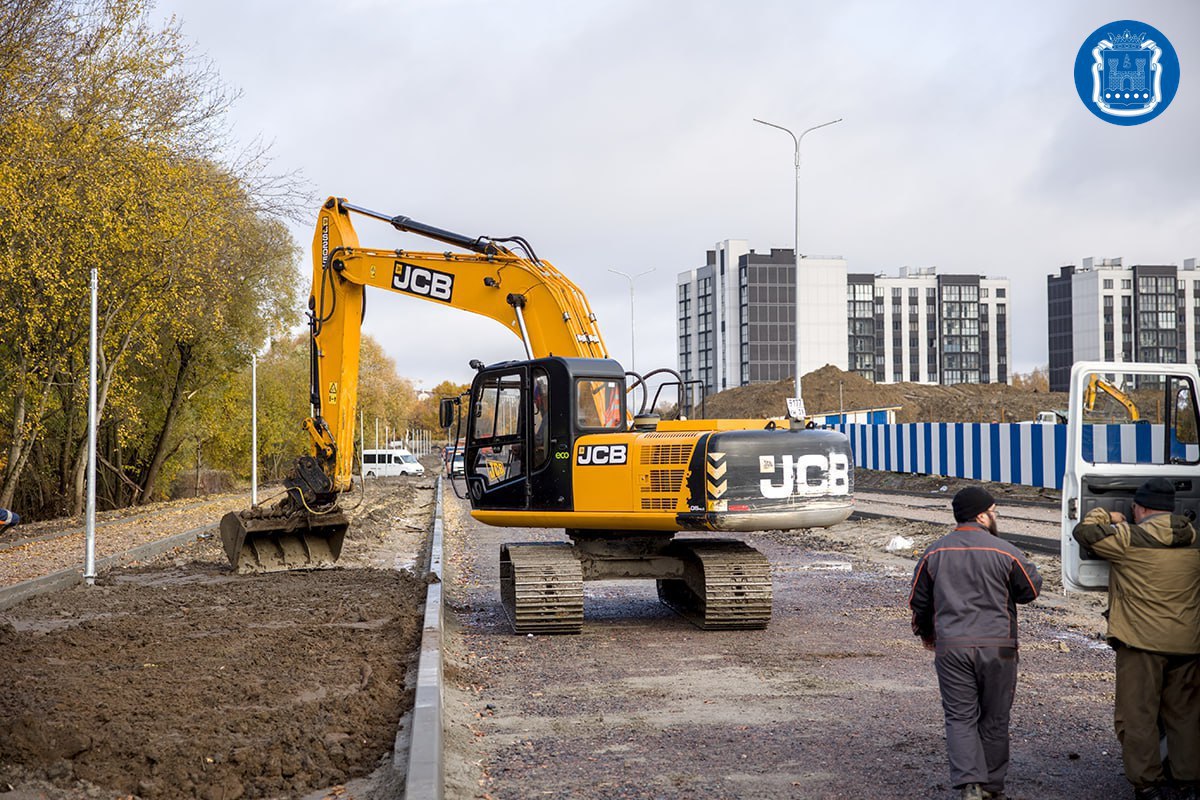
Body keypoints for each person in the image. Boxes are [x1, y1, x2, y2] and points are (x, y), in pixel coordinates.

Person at [910, 487, 1043, 800]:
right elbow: (1030, 591)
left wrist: (928, 634)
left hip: (952, 646)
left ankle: (970, 784)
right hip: (999, 646)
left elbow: (919, 601)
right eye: (994, 511)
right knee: (995, 716)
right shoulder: (1006, 551)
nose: (995, 516)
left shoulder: (934, 552)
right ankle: (992, 787)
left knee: (960, 717)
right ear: (982, 515)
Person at [1072, 477, 1200, 800]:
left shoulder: (1128, 538)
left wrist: (1108, 516)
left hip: (1140, 645)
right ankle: (1189, 783)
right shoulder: (1194, 539)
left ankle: (1148, 785)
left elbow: (1084, 532)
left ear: (1140, 509)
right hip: (1188, 643)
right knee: (1185, 717)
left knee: (1138, 717)